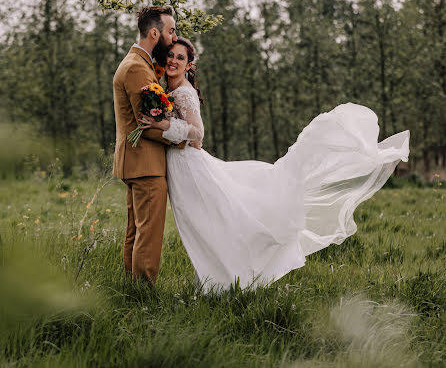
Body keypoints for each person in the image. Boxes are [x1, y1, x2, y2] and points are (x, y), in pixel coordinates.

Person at [139, 37, 410, 293]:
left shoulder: (183, 93)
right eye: (171, 56)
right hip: (182, 167)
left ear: (190, 65)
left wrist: (162, 124)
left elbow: (198, 134)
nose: (173, 61)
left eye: (180, 57)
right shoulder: (170, 90)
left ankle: (226, 282)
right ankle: (216, 282)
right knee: (204, 226)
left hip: (189, 168)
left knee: (212, 224)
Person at [112, 7, 199, 285]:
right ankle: (143, 291)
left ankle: (131, 288)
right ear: (154, 32)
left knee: (136, 232)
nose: (173, 37)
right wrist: (183, 136)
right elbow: (146, 125)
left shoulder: (140, 63)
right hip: (145, 163)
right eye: (170, 31)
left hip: (137, 162)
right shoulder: (137, 67)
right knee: (147, 235)